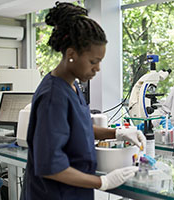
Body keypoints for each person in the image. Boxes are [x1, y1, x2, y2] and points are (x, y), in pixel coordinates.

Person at [21, 2, 145, 199]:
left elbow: (79, 127)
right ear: (71, 54)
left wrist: (118, 133)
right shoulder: (54, 96)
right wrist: (102, 182)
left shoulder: (73, 85)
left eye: (100, 62)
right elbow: (50, 166)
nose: (98, 69)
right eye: (93, 62)